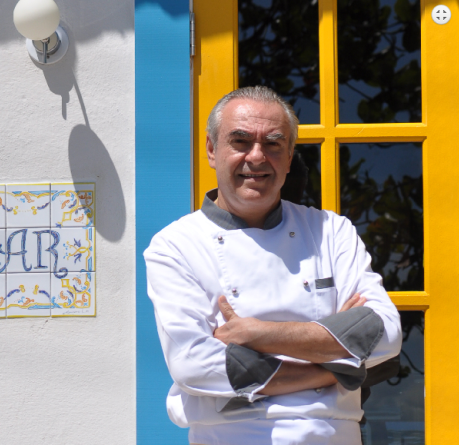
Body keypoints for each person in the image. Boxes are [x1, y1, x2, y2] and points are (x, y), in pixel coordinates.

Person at [144, 86, 402, 445]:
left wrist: (256, 334)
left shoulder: (331, 231)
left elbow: (384, 334)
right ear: (211, 150)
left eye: (273, 144)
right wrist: (333, 369)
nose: (257, 156)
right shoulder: (175, 246)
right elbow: (195, 366)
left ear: (289, 154)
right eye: (240, 141)